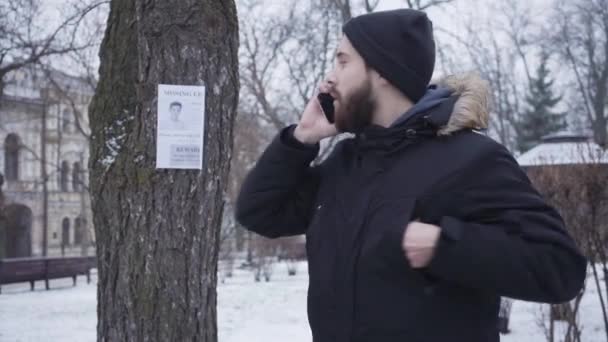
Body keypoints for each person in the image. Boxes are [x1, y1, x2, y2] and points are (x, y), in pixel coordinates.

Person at [235, 9, 587, 342]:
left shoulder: (472, 159)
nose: (330, 75)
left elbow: (559, 267)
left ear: (383, 72)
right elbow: (259, 212)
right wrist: (300, 139)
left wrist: (447, 246)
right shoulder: (347, 161)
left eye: (342, 61)